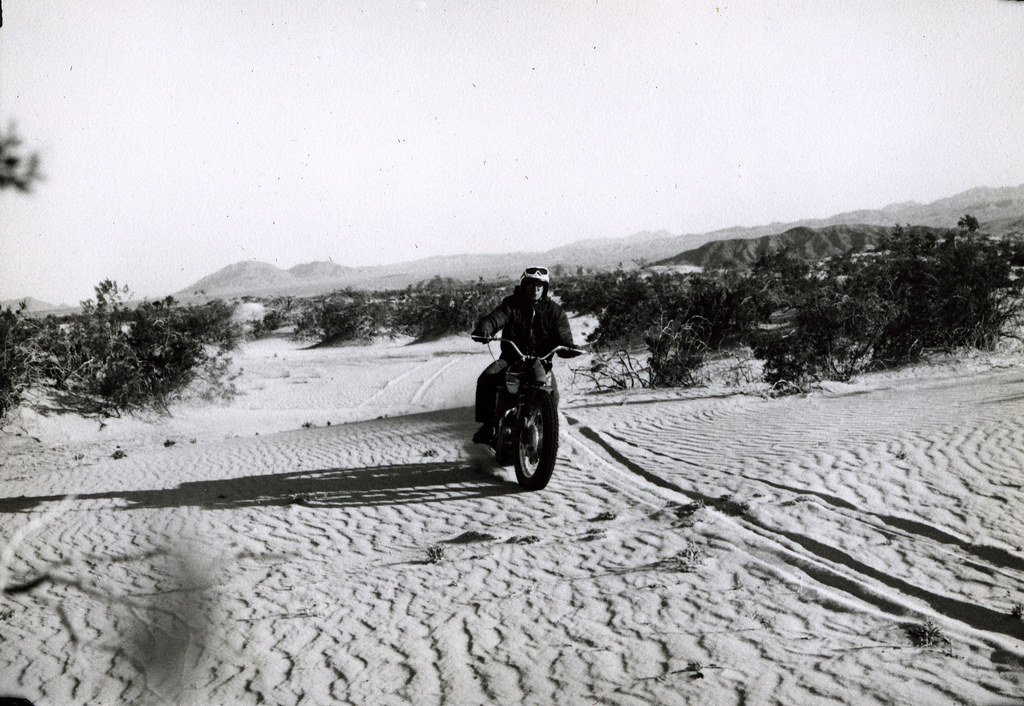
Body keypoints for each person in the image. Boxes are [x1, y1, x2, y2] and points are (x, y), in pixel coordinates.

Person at [470, 266, 576, 444]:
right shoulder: (511, 304)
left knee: (552, 396)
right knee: (487, 378)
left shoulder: (554, 311)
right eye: (532, 285)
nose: (535, 289)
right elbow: (496, 319)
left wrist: (568, 347)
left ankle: (547, 438)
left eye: (540, 286)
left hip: (541, 362)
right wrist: (484, 330)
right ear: (524, 285)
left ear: (545, 288)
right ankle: (488, 426)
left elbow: (564, 336)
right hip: (512, 359)